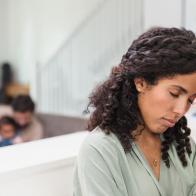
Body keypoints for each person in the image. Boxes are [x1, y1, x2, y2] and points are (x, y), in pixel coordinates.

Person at [73, 27, 196, 196]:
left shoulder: (185, 147)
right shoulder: (100, 151)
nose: (181, 110)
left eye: (191, 99)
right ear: (141, 83)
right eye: (174, 93)